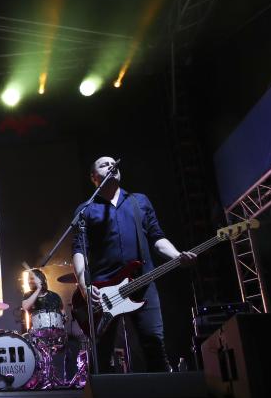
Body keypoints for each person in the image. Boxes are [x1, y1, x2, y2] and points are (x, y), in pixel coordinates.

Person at [72, 156, 195, 373]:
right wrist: (84, 286)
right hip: (103, 291)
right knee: (101, 355)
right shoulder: (86, 209)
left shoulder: (139, 201)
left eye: (113, 163)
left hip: (143, 283)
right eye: (103, 164)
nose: (111, 166)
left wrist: (177, 255)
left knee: (154, 345)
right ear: (93, 177)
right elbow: (79, 250)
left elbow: (157, 237)